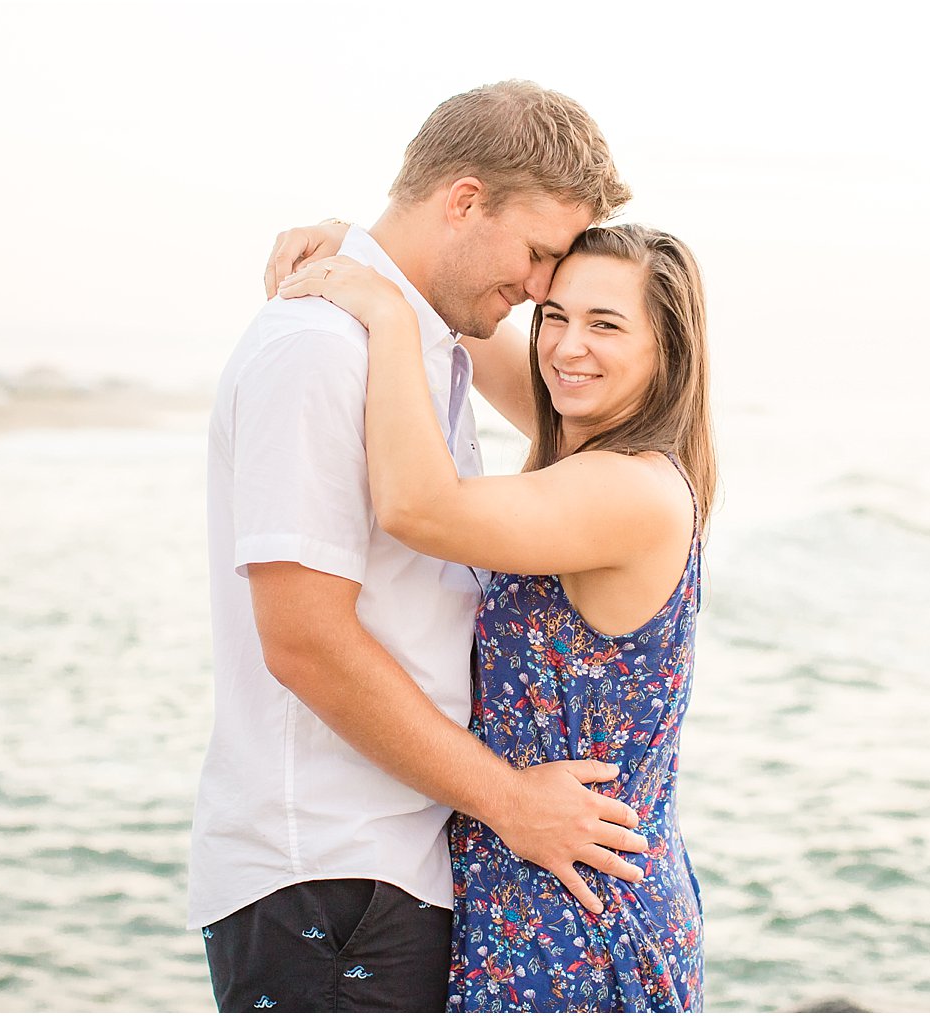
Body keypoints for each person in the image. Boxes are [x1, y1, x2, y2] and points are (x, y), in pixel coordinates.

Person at [190, 80, 649, 1014]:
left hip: (394, 864)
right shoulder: (320, 349)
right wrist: (513, 803)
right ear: (465, 200)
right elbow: (304, 640)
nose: (536, 293)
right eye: (536, 256)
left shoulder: (423, 346)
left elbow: (621, 394)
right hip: (324, 873)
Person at [275, 221, 715, 1011]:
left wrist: (388, 316)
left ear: (666, 353)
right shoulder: (579, 435)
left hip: (580, 918)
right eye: (555, 315)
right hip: (530, 892)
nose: (568, 347)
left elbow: (418, 505)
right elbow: (475, 321)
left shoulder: (629, 490)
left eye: (606, 324)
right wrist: (361, 240)